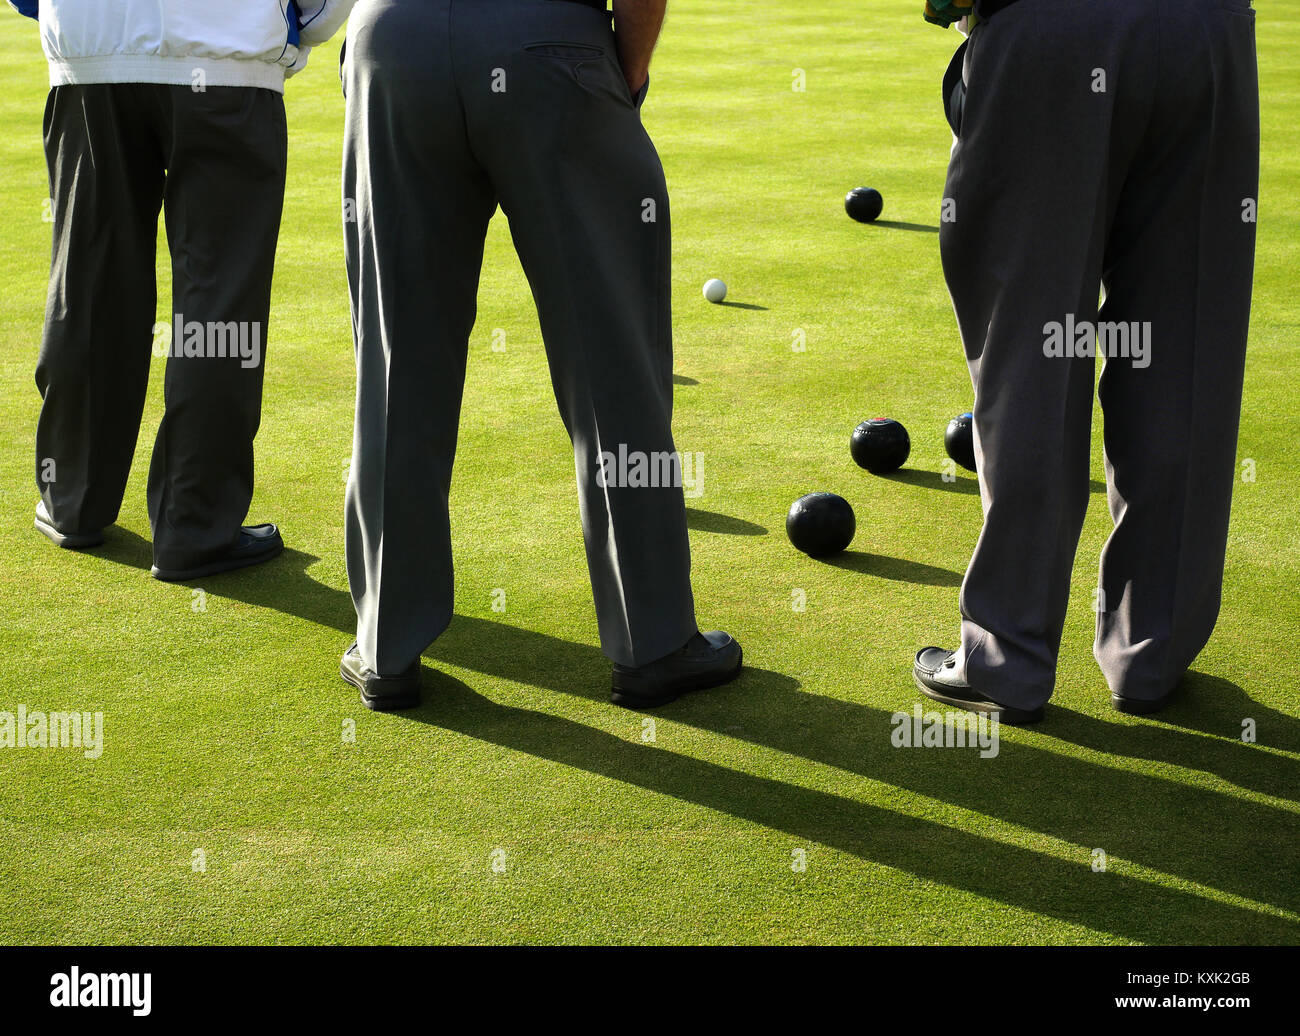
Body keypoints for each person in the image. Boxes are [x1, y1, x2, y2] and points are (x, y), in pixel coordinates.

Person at [339, 0, 742, 711]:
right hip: (546, 41)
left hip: (392, 42)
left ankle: (386, 646)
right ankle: (652, 643)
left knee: (397, 357)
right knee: (610, 353)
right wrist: (625, 72)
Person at [913, 0, 1260, 722]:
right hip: (1209, 31)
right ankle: (1151, 652)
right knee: (1187, 344)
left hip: (1052, 31)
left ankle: (1006, 656)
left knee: (1031, 351)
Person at [12, 0, 355, 580]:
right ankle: (194, 527)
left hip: (91, 51)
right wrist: (294, 33)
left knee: (89, 278)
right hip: (225, 53)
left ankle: (71, 499)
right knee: (220, 300)